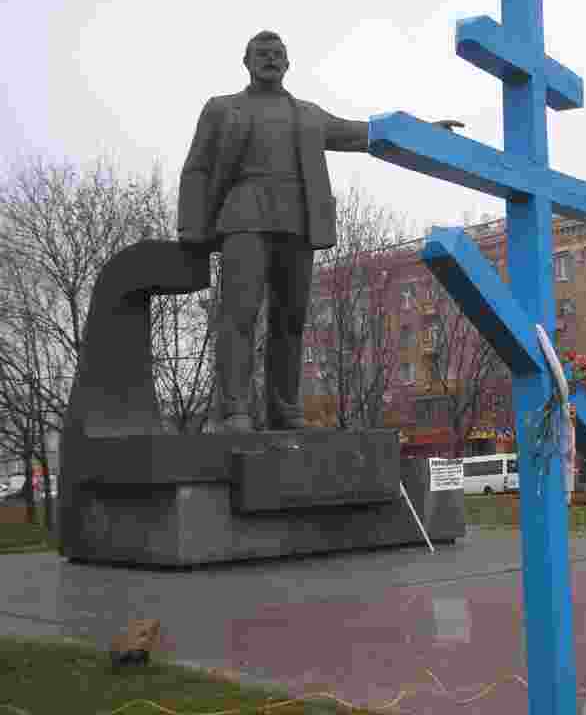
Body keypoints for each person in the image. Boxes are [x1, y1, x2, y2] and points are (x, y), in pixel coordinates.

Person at [178, 31, 462, 432]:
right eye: (262, 53)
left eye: (278, 54)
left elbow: (360, 133)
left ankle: (285, 410)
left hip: (298, 223)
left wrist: (423, 134)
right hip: (244, 218)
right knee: (238, 316)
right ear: (245, 61)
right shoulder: (223, 109)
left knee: (291, 320)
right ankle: (235, 409)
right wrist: (190, 226)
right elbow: (197, 167)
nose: (270, 59)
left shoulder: (308, 114)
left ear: (288, 64)